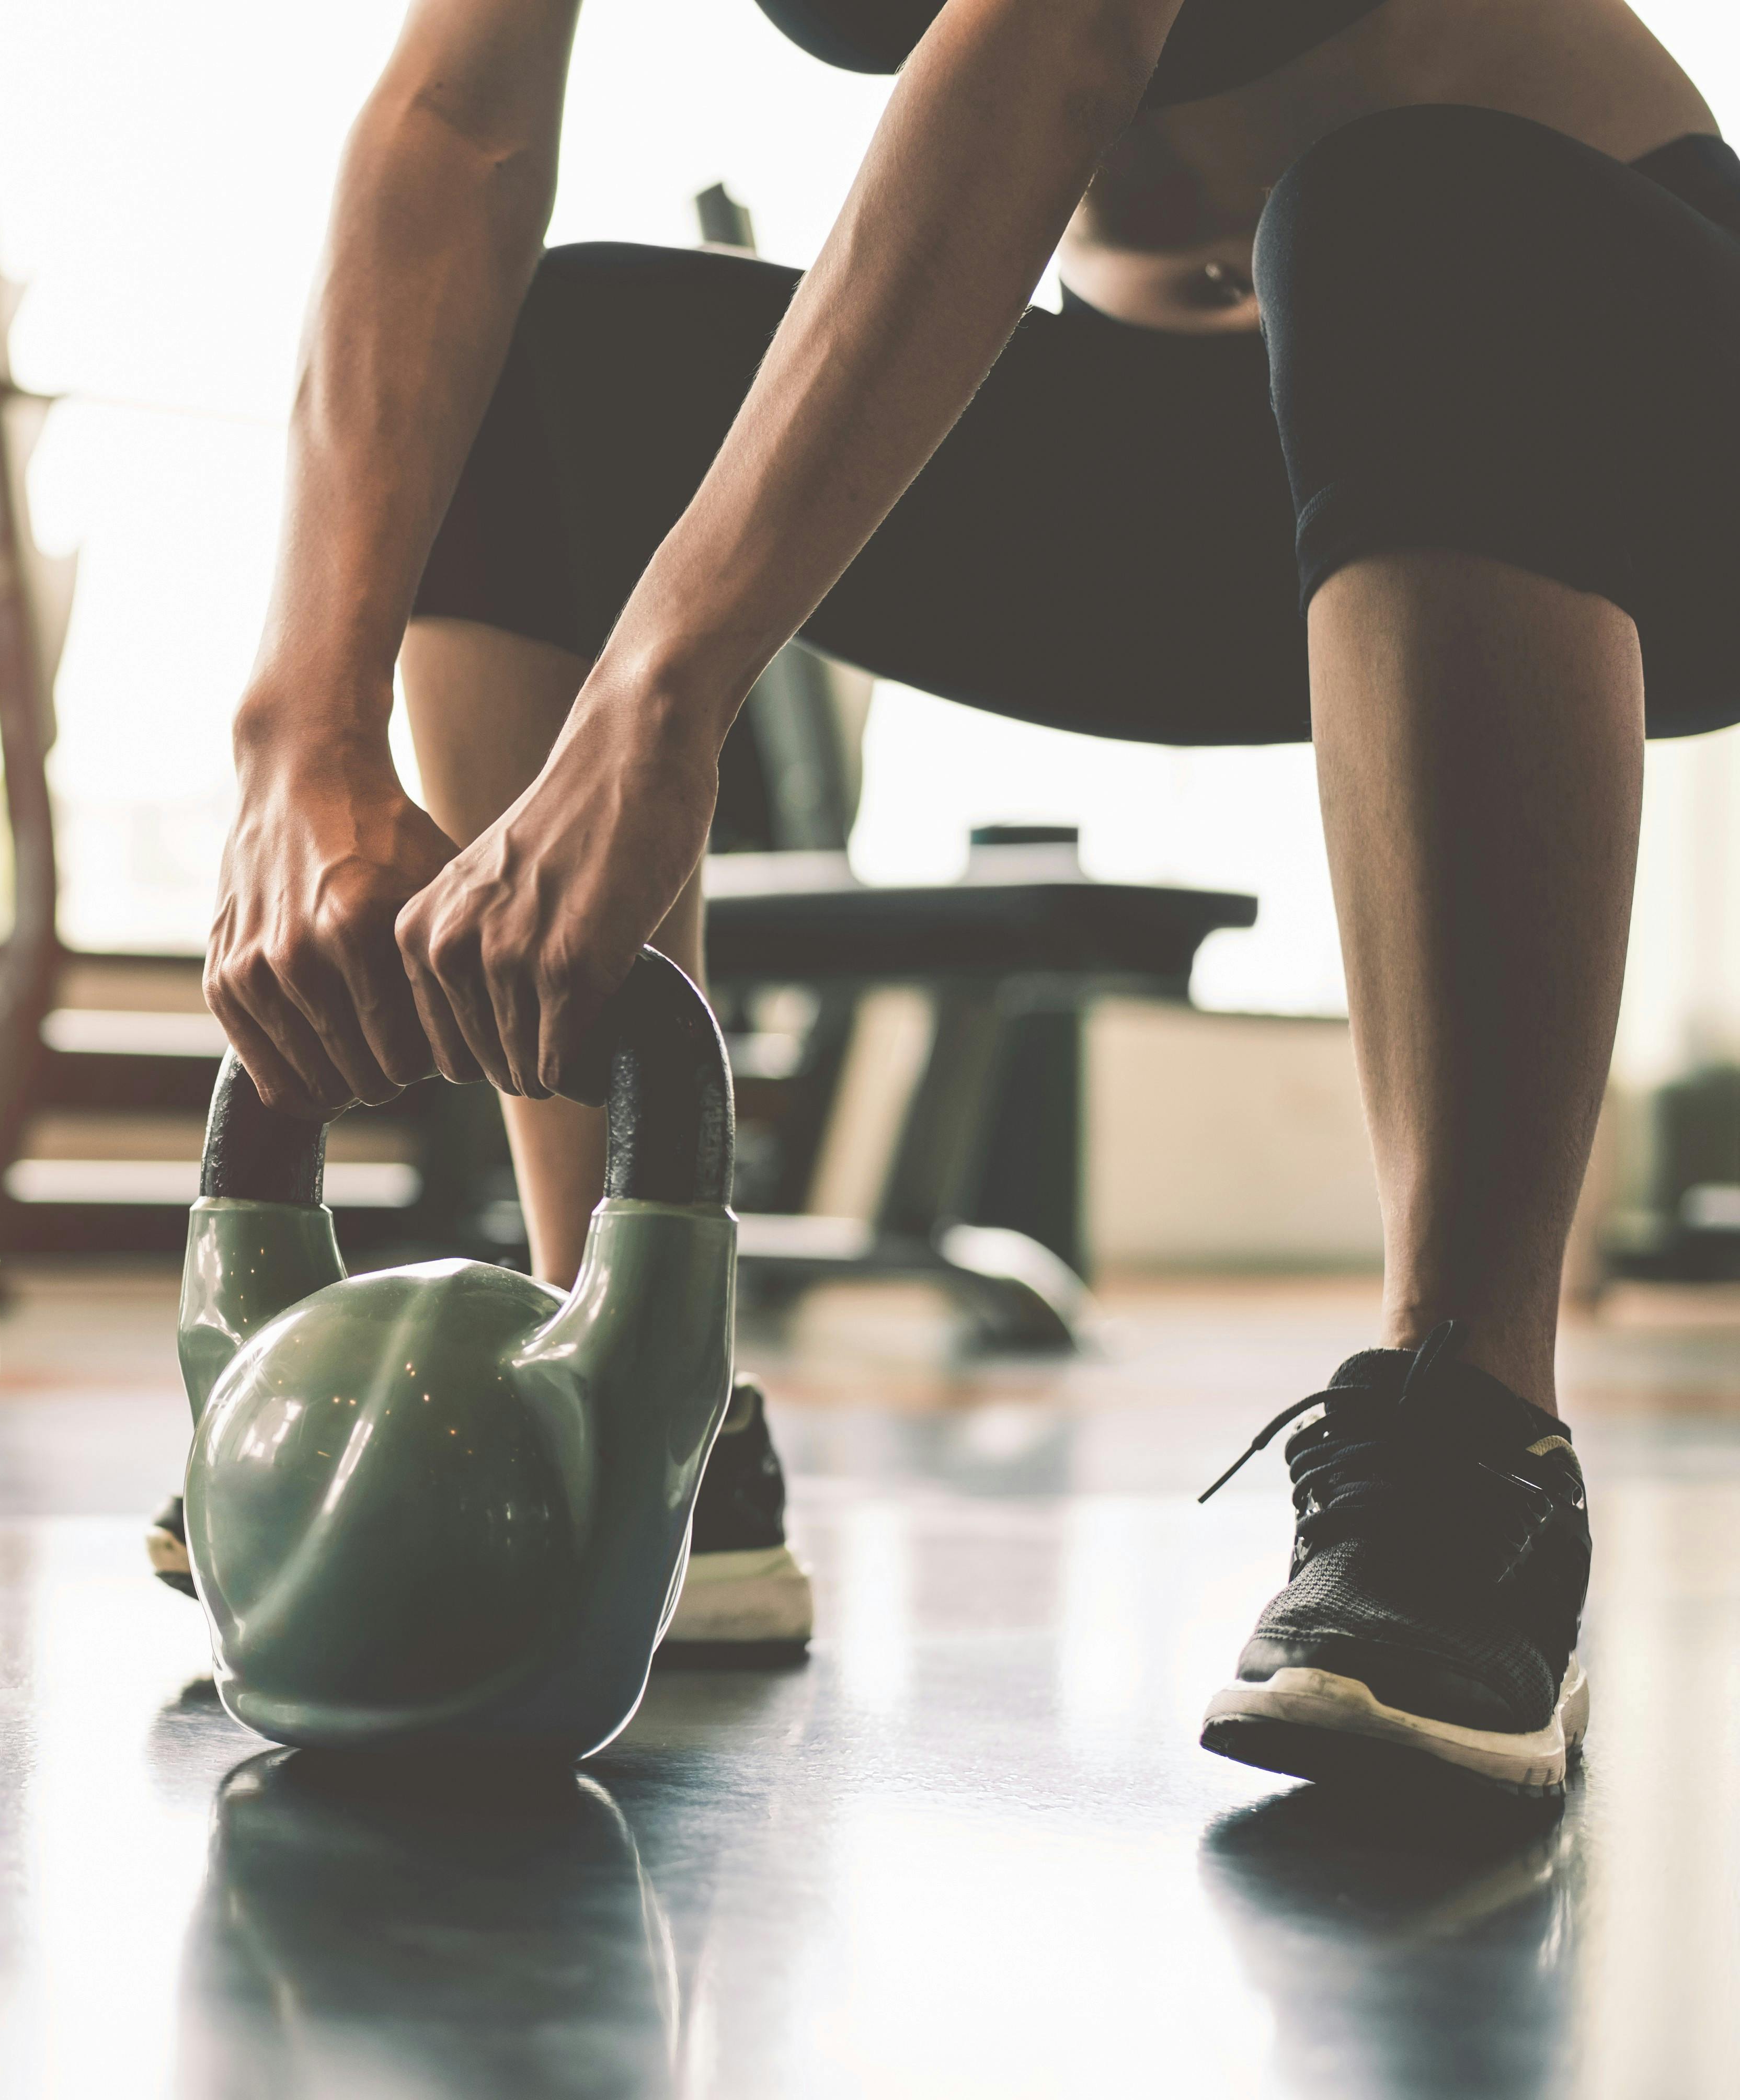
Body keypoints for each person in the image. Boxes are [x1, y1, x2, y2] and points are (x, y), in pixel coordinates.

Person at [186, 0, 1734, 1798]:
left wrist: (659, 694)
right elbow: (451, 125)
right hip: (1179, 458)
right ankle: (628, 1409)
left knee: (1396, 206)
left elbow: (1059, 40)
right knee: (562, 363)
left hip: (1592, 394)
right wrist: (297, 731)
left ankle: (1471, 1452)